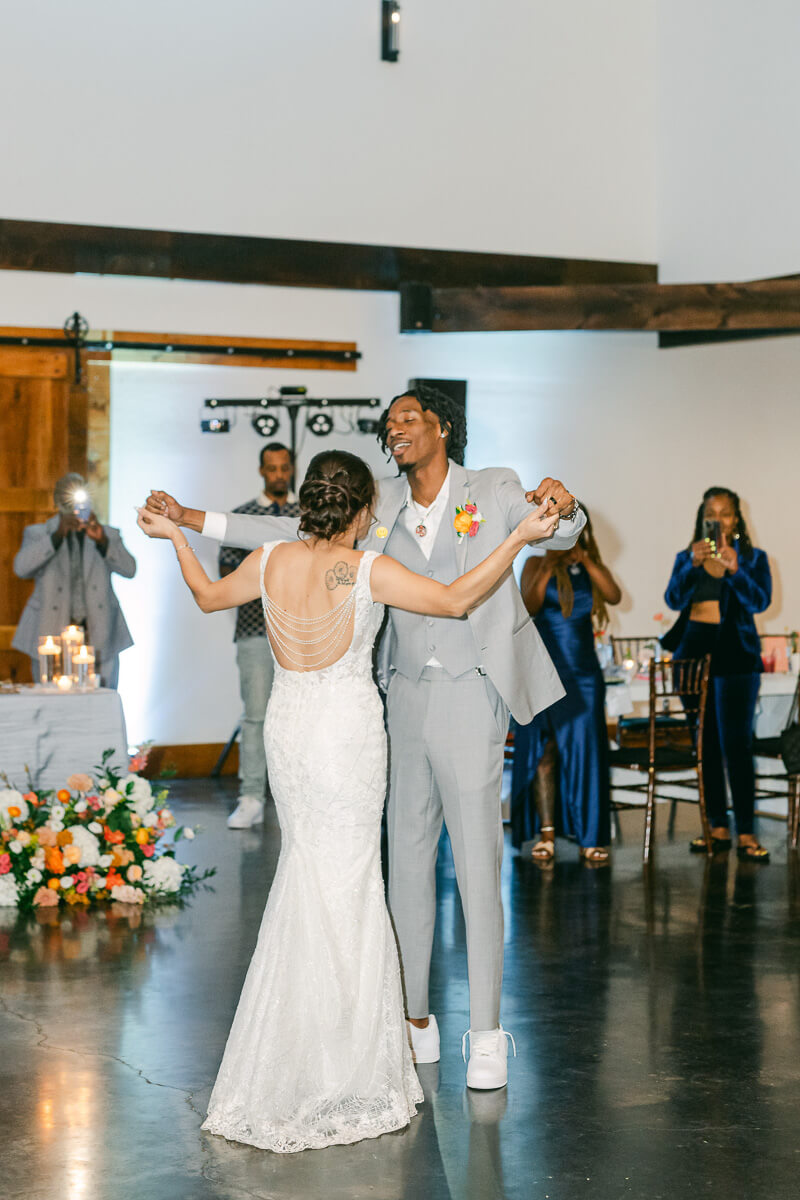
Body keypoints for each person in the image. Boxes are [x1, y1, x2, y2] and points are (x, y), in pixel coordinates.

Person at [144, 384, 585, 1089]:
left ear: (444, 427)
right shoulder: (375, 502)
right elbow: (286, 532)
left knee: (476, 866)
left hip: (473, 691)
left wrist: (563, 507)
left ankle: (486, 1032)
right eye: (390, 423)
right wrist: (189, 518)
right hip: (397, 698)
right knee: (404, 867)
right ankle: (412, 1022)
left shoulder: (492, 485)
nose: (396, 427)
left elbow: (556, 526)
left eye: (410, 417)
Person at [661, 486, 772, 862]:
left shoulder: (753, 558)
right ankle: (716, 827)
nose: (719, 519)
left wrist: (736, 568)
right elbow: (673, 600)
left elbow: (760, 601)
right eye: (712, 513)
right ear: (702, 517)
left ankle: (746, 832)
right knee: (704, 744)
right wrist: (691, 566)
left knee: (737, 746)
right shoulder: (686, 556)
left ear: (736, 519)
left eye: (726, 513)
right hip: (692, 652)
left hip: (736, 653)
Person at [510, 507, 621, 865]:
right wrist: (550, 560)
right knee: (545, 751)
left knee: (587, 753)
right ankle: (546, 834)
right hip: (544, 671)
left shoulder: (590, 566)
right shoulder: (534, 564)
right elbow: (529, 604)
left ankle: (590, 837)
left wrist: (584, 559)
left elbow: (614, 595)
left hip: (585, 675)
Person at [218, 443, 300, 830]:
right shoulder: (242, 518)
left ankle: (299, 797)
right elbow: (230, 573)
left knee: (302, 715)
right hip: (255, 631)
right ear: (261, 470)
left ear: (292, 469)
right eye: (272, 468)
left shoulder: (308, 513)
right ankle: (251, 796)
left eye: (285, 468)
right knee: (256, 716)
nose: (279, 474)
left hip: (303, 634)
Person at [12, 473, 136, 687]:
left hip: (98, 631)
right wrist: (57, 536)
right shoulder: (39, 534)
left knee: (100, 702)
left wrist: (102, 541)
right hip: (51, 632)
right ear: (56, 500)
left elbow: (129, 569)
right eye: (67, 496)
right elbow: (21, 569)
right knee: (52, 701)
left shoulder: (106, 533)